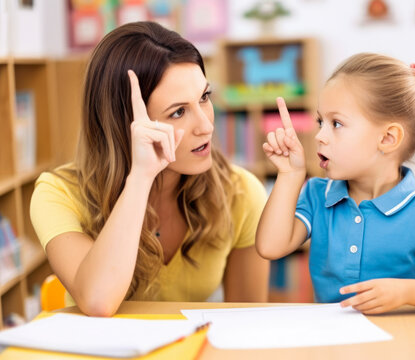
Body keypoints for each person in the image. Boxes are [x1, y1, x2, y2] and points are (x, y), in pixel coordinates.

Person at [30, 21, 269, 317]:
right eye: (178, 112)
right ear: (125, 125)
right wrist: (141, 177)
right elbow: (98, 301)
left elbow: (246, 321)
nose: (207, 126)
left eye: (204, 98)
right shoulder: (58, 193)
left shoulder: (241, 191)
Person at [256, 53, 415, 314]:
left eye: (336, 123)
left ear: (387, 138)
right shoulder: (317, 194)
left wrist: (405, 291)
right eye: (320, 122)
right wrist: (290, 175)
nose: (319, 136)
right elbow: (270, 247)